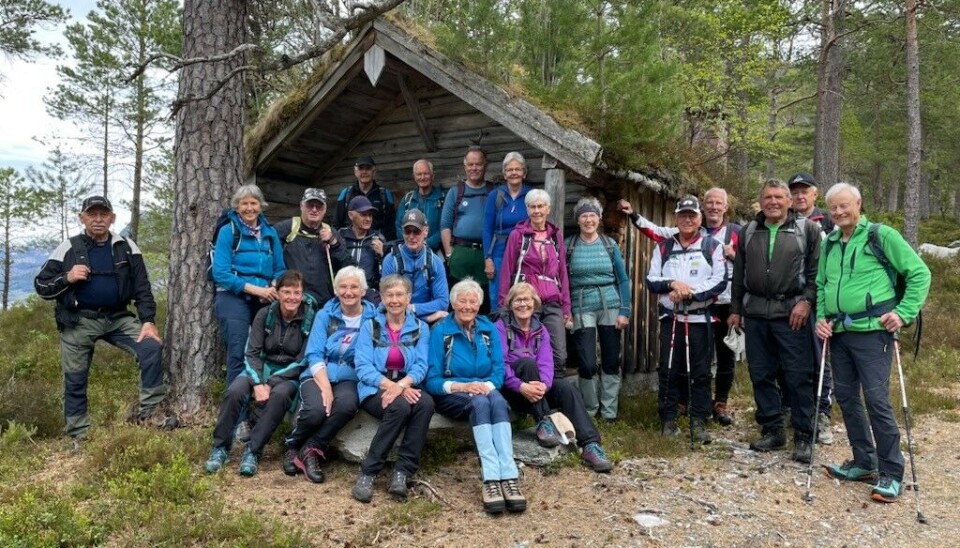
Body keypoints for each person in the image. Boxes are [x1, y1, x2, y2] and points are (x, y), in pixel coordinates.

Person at [816, 182, 930, 503]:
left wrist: (904, 313)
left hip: (874, 333)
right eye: (833, 207)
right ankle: (864, 462)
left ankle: (891, 472)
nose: (838, 212)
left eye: (844, 206)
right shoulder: (831, 243)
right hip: (839, 333)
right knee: (848, 398)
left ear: (858, 204)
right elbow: (822, 284)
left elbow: (920, 273)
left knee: (877, 401)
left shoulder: (882, 236)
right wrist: (821, 320)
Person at [35, 195, 169, 442]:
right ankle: (78, 435)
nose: (98, 219)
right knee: (75, 376)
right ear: (82, 218)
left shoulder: (126, 246)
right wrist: (67, 277)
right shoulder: (68, 247)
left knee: (151, 348)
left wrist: (148, 320)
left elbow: (142, 286)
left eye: (103, 214)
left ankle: (150, 414)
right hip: (79, 320)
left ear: (112, 217)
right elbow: (41, 285)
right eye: (92, 214)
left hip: (118, 318)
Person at [619, 188, 740, 425]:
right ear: (703, 208)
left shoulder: (736, 232)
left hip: (725, 303)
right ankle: (681, 403)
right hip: (685, 308)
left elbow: (747, 264)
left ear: (725, 207)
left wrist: (734, 260)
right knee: (680, 361)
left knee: (722, 356)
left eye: (719, 203)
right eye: (710, 202)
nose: (714, 206)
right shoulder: (676, 237)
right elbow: (655, 233)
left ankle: (719, 403)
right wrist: (634, 215)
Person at [728, 179, 822, 463]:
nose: (773, 202)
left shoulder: (808, 230)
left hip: (792, 312)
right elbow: (739, 274)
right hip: (756, 313)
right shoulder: (749, 231)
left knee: (798, 375)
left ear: (789, 201)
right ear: (761, 201)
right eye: (768, 197)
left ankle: (804, 436)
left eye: (779, 197)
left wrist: (806, 302)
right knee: (761, 374)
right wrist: (735, 309)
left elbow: (818, 273)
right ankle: (773, 430)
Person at [426, 279, 526, 515]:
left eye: (473, 301)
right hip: (452, 395)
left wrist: (487, 385)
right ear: (453, 303)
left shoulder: (487, 328)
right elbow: (432, 380)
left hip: (484, 389)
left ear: (479, 305)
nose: (468, 306)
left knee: (499, 401)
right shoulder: (440, 331)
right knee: (480, 402)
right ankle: (491, 479)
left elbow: (498, 370)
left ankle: (509, 475)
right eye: (462, 301)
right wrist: (464, 387)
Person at [204, 271, 315, 476]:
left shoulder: (309, 319)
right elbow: (251, 352)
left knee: (280, 395)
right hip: (260, 367)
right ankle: (220, 447)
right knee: (235, 390)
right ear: (277, 293)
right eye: (286, 291)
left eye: (296, 292)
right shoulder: (265, 314)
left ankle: (253, 450)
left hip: (288, 374)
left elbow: (303, 360)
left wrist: (269, 383)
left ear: (302, 294)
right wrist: (257, 383)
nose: (292, 297)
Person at [497, 282, 613, 473]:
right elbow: (498, 365)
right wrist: (520, 386)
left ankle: (590, 445)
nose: (522, 304)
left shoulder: (541, 330)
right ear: (510, 304)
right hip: (512, 391)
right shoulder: (501, 328)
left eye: (526, 300)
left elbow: (546, 363)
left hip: (536, 392)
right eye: (517, 300)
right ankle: (544, 420)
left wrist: (545, 385)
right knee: (527, 363)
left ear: (534, 304)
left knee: (567, 389)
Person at [282, 266, 377, 483]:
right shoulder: (325, 314)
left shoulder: (373, 318)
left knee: (346, 405)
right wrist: (325, 387)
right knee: (317, 409)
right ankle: (292, 445)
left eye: (354, 287)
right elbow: (314, 353)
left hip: (350, 375)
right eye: (343, 287)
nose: (348, 292)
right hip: (319, 371)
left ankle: (312, 447)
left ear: (363, 291)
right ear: (336, 290)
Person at [645, 197, 726, 442]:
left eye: (692, 216)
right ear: (676, 218)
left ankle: (699, 420)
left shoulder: (712, 245)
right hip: (672, 318)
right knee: (669, 370)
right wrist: (672, 284)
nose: (688, 220)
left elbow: (719, 281)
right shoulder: (664, 247)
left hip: (700, 319)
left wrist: (691, 292)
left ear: (700, 218)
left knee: (700, 372)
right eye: (683, 215)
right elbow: (651, 279)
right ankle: (667, 419)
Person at [351, 275, 434, 503]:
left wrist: (402, 385)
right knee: (400, 408)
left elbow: (421, 364)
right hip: (375, 386)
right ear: (382, 297)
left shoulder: (420, 327)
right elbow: (362, 365)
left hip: (406, 383)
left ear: (408, 298)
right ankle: (369, 472)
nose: (394, 300)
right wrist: (392, 386)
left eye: (400, 295)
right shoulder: (371, 326)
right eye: (389, 295)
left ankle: (402, 471)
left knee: (425, 404)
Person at [211, 184, 286, 385]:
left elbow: (280, 269)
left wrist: (272, 287)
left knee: (266, 350)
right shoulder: (228, 231)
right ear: (236, 207)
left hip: (264, 296)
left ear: (261, 206)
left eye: (254, 203)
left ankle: (261, 404)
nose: (249, 208)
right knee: (238, 352)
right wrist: (255, 289)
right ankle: (237, 413)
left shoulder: (270, 234)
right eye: (244, 203)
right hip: (232, 296)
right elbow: (221, 273)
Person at [566, 198, 631, 422]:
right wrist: (567, 310)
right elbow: (563, 280)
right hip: (581, 303)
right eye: (584, 215)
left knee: (611, 359)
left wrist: (625, 311)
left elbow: (623, 280)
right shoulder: (569, 245)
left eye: (592, 215)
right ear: (577, 220)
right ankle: (590, 410)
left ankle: (609, 412)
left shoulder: (609, 245)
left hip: (610, 304)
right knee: (587, 361)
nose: (588, 219)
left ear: (599, 218)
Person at [498, 189, 572, 375]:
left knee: (559, 355)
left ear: (548, 209)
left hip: (553, 301)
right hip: (527, 301)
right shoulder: (518, 235)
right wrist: (503, 304)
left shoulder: (555, 236)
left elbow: (562, 271)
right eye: (532, 207)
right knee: (530, 352)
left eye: (540, 206)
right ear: (527, 209)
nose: (537, 211)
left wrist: (566, 307)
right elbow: (506, 269)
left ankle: (553, 391)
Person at [787, 171, 836, 444]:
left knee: (821, 356)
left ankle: (823, 414)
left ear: (815, 194)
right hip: (790, 298)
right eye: (795, 191)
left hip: (821, 298)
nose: (800, 196)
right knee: (792, 357)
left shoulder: (828, 221)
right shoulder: (785, 219)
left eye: (805, 191)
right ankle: (794, 410)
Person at [274, 188, 355, 306]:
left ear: (325, 209)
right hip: (294, 299)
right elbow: (267, 255)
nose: (314, 210)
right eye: (310, 205)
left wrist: (333, 243)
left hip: (324, 302)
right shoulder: (286, 228)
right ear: (301, 206)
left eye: (319, 206)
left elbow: (348, 266)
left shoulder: (332, 233)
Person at [440, 146, 495, 311]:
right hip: (460, 253)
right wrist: (450, 254)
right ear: (465, 167)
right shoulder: (455, 192)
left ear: (485, 166)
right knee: (459, 300)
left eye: (478, 164)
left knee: (482, 302)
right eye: (470, 164)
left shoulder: (493, 191)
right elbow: (445, 225)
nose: (474, 168)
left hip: (485, 255)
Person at [382, 209, 449, 324]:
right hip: (397, 319)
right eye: (408, 231)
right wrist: (425, 318)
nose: (411, 237)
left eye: (416, 232)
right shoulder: (390, 260)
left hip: (427, 320)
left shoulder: (435, 262)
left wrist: (414, 308)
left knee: (444, 319)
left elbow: (443, 302)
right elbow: (387, 301)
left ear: (426, 231)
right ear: (403, 233)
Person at [483, 152, 532, 310]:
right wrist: (487, 258)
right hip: (498, 251)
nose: (514, 173)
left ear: (524, 173)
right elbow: (487, 228)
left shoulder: (530, 195)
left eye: (518, 169)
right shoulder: (495, 196)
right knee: (497, 294)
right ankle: (499, 330)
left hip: (523, 251)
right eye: (510, 170)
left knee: (522, 293)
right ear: (504, 174)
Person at [334, 155, 396, 241]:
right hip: (349, 244)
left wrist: (387, 248)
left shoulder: (384, 194)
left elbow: (391, 227)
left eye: (368, 168)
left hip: (376, 244)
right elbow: (336, 224)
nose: (364, 172)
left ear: (374, 172)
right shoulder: (346, 193)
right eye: (361, 168)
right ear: (355, 172)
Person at [338, 196, 385, 305]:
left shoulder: (378, 238)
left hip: (368, 291)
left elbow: (385, 272)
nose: (368, 219)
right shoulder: (341, 236)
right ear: (351, 215)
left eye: (370, 215)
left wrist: (382, 255)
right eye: (363, 214)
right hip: (344, 289)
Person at [395, 159, 444, 253]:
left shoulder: (441, 199)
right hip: (409, 251)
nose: (422, 177)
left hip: (435, 251)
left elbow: (444, 227)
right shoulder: (407, 200)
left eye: (426, 173)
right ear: (414, 177)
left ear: (433, 175)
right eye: (419, 174)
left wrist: (426, 244)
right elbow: (399, 226)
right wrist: (411, 243)